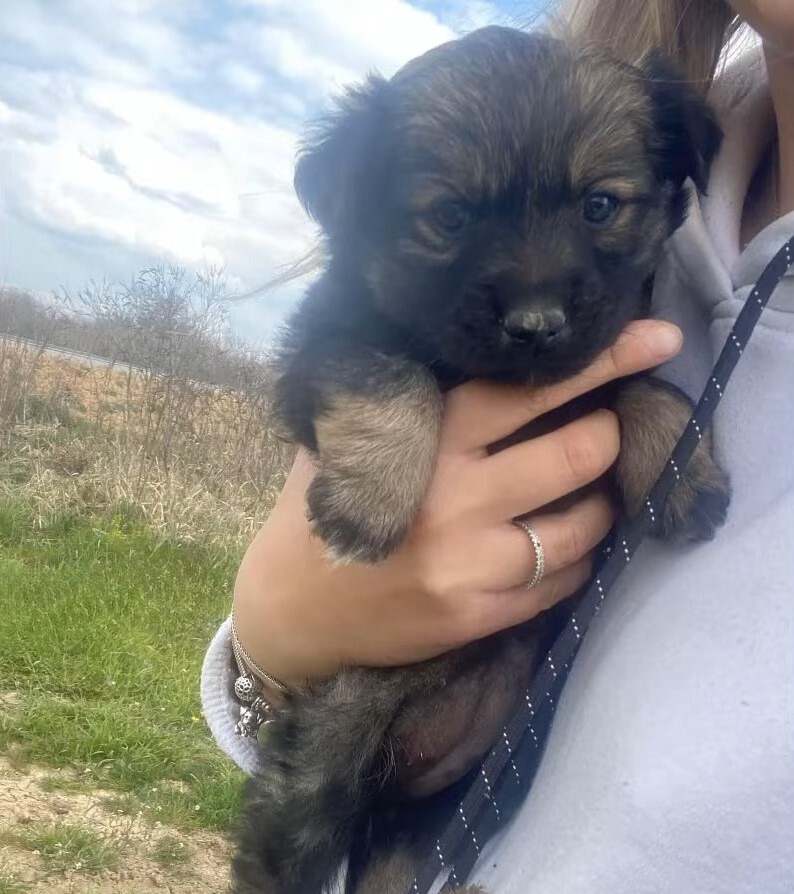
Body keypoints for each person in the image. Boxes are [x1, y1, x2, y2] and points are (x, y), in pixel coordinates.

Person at [201, 0, 794, 890]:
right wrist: (275, 633)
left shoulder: (655, 130)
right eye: (448, 220)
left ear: (670, 179)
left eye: (601, 209)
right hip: (348, 739)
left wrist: (655, 424)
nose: (538, 306)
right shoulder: (663, 146)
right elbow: (327, 357)